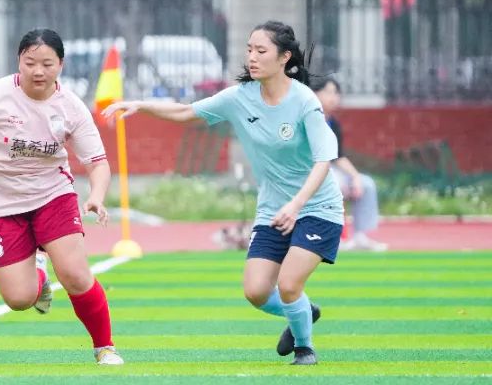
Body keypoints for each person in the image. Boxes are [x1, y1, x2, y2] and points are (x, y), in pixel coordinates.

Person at [103, 21, 344, 365]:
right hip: (273, 209)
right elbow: (187, 112)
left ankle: (305, 348)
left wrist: (297, 204)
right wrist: (142, 105)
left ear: (284, 57)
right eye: (249, 49)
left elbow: (324, 160)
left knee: (290, 284)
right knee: (256, 291)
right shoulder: (240, 97)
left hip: (317, 207)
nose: (252, 57)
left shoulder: (304, 101)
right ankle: (303, 310)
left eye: (261, 51)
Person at [0, 29, 123, 365]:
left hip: (53, 194)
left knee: (74, 273)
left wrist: (97, 195)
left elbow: (97, 162)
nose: (38, 71)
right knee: (19, 299)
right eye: (30, 62)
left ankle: (105, 347)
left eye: (47, 64)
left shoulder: (71, 107)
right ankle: (38, 270)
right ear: (18, 62)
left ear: (61, 65)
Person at [312, 77, 388, 252]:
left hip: (329, 168)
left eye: (336, 93)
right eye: (328, 92)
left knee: (366, 184)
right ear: (315, 94)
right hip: (310, 170)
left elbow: (338, 156)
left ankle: (360, 236)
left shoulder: (333, 123)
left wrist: (355, 177)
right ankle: (334, 237)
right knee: (335, 183)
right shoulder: (308, 118)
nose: (333, 97)